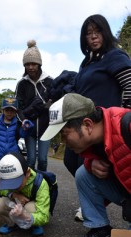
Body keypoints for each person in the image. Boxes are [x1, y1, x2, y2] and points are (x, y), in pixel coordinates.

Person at [52, 14, 131, 221]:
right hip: (81, 124)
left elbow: (130, 86)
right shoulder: (86, 63)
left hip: (108, 126)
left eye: (98, 31)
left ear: (106, 33)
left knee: (108, 167)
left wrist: (124, 119)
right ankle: (96, 200)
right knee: (73, 160)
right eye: (88, 33)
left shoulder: (115, 56)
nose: (93, 37)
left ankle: (113, 203)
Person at [41, 93, 131, 237]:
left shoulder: (127, 125)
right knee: (83, 173)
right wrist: (90, 163)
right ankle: (100, 229)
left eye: (64, 134)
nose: (64, 143)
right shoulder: (94, 139)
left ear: (88, 125)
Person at [15, 39, 54, 171]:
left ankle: (44, 186)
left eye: (34, 64)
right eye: (27, 64)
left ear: (39, 64)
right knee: (30, 160)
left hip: (46, 128)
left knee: (42, 160)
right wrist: (23, 119)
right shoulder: (22, 84)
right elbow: (17, 107)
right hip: (29, 129)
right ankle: (31, 188)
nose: (31, 67)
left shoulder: (49, 82)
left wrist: (48, 106)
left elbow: (55, 103)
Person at [0, 152, 50, 236]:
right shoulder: (7, 176)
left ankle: (35, 225)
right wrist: (13, 195)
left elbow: (44, 216)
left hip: (31, 205)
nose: (12, 186)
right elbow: (0, 189)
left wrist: (26, 216)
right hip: (15, 201)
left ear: (27, 173)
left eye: (16, 182)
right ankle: (11, 223)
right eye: (7, 183)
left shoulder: (41, 184)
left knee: (30, 208)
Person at [0, 97, 33, 162]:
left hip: (13, 157)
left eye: (12, 110)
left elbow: (24, 135)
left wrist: (28, 127)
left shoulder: (18, 124)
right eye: (7, 110)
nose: (9, 113)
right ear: (2, 111)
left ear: (16, 112)